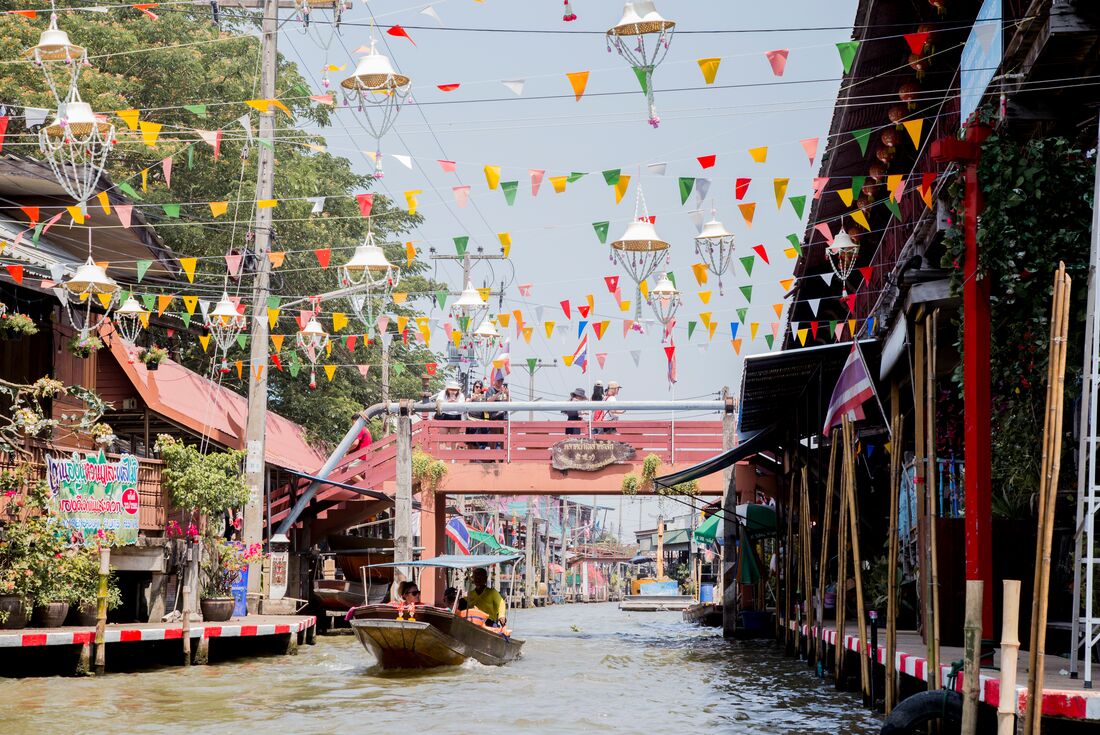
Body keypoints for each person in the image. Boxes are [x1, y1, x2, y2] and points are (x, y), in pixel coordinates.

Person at [484, 376, 509, 449]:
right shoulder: (490, 390)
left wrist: (507, 394)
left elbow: (509, 402)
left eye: (501, 380)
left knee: (504, 438)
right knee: (494, 438)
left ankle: (502, 459)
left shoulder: (505, 391)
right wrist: (499, 393)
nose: (500, 382)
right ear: (495, 380)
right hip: (494, 416)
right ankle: (492, 458)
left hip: (504, 417)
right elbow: (488, 401)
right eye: (498, 380)